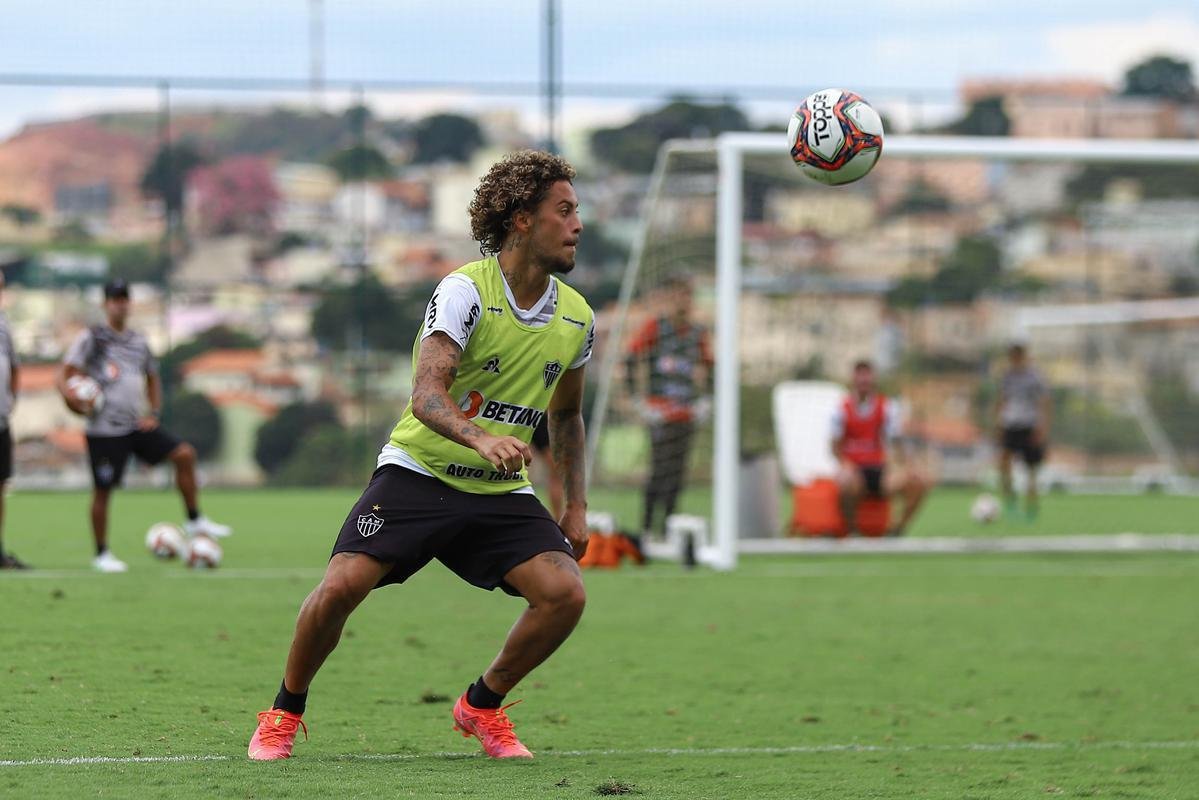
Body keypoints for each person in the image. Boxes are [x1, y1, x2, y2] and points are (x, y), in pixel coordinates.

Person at [247, 150, 594, 762]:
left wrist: (575, 508)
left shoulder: (577, 318)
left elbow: (566, 416)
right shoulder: (464, 291)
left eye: (576, 211)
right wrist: (481, 437)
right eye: (563, 211)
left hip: (496, 493)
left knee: (565, 594)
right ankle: (282, 712)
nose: (577, 223)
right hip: (420, 472)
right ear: (520, 219)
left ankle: (482, 705)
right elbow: (427, 394)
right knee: (339, 589)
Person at [59, 279, 230, 573]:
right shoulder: (93, 338)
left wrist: (153, 412)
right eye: (114, 298)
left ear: (130, 303)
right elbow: (66, 376)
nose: (119, 303)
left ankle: (193, 520)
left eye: (124, 298)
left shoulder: (139, 341)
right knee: (103, 491)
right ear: (105, 304)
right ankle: (102, 554)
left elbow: (152, 377)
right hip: (104, 429)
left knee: (184, 454)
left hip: (135, 424)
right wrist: (74, 401)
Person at [625, 275, 711, 538]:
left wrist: (707, 400)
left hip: (685, 412)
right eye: (677, 295)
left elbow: (711, 365)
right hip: (660, 411)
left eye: (687, 296)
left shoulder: (697, 333)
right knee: (659, 469)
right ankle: (648, 527)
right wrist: (637, 400)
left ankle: (668, 527)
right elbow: (631, 358)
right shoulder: (656, 328)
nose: (682, 302)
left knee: (678, 472)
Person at [832, 360, 928, 536]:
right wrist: (844, 464)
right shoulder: (841, 409)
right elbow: (834, 445)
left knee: (919, 482)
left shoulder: (886, 407)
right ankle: (852, 531)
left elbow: (896, 441)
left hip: (879, 468)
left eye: (867, 375)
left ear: (873, 379)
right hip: (854, 469)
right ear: (854, 379)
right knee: (846, 483)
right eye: (860, 375)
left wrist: (907, 465)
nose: (863, 380)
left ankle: (897, 529)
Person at [995, 342, 1051, 520]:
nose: (1015, 361)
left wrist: (1042, 427)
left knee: (1031, 469)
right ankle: (1010, 502)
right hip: (1010, 425)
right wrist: (998, 423)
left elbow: (1044, 402)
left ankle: (1031, 508)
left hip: (1029, 425)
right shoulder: (1008, 377)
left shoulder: (1035, 378)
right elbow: (1002, 399)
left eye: (1018, 357)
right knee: (1004, 464)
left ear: (1023, 357)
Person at [0, 272, 27, 570]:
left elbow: (15, 368)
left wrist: (11, 400)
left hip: (1, 420)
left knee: (0, 485)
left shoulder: (4, 325)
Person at [529, 418, 564, 517]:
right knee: (556, 475)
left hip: (533, 417)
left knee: (556, 474)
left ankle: (559, 519)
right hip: (542, 418)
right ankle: (559, 519)